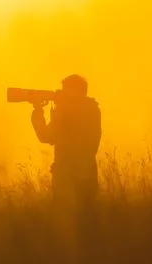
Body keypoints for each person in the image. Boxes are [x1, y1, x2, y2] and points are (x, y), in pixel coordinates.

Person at [31, 74, 102, 210]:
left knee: (66, 217)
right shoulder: (93, 109)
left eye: (64, 90)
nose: (60, 93)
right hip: (88, 171)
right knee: (88, 217)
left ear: (75, 91)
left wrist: (38, 111)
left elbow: (46, 136)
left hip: (66, 176)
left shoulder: (64, 111)